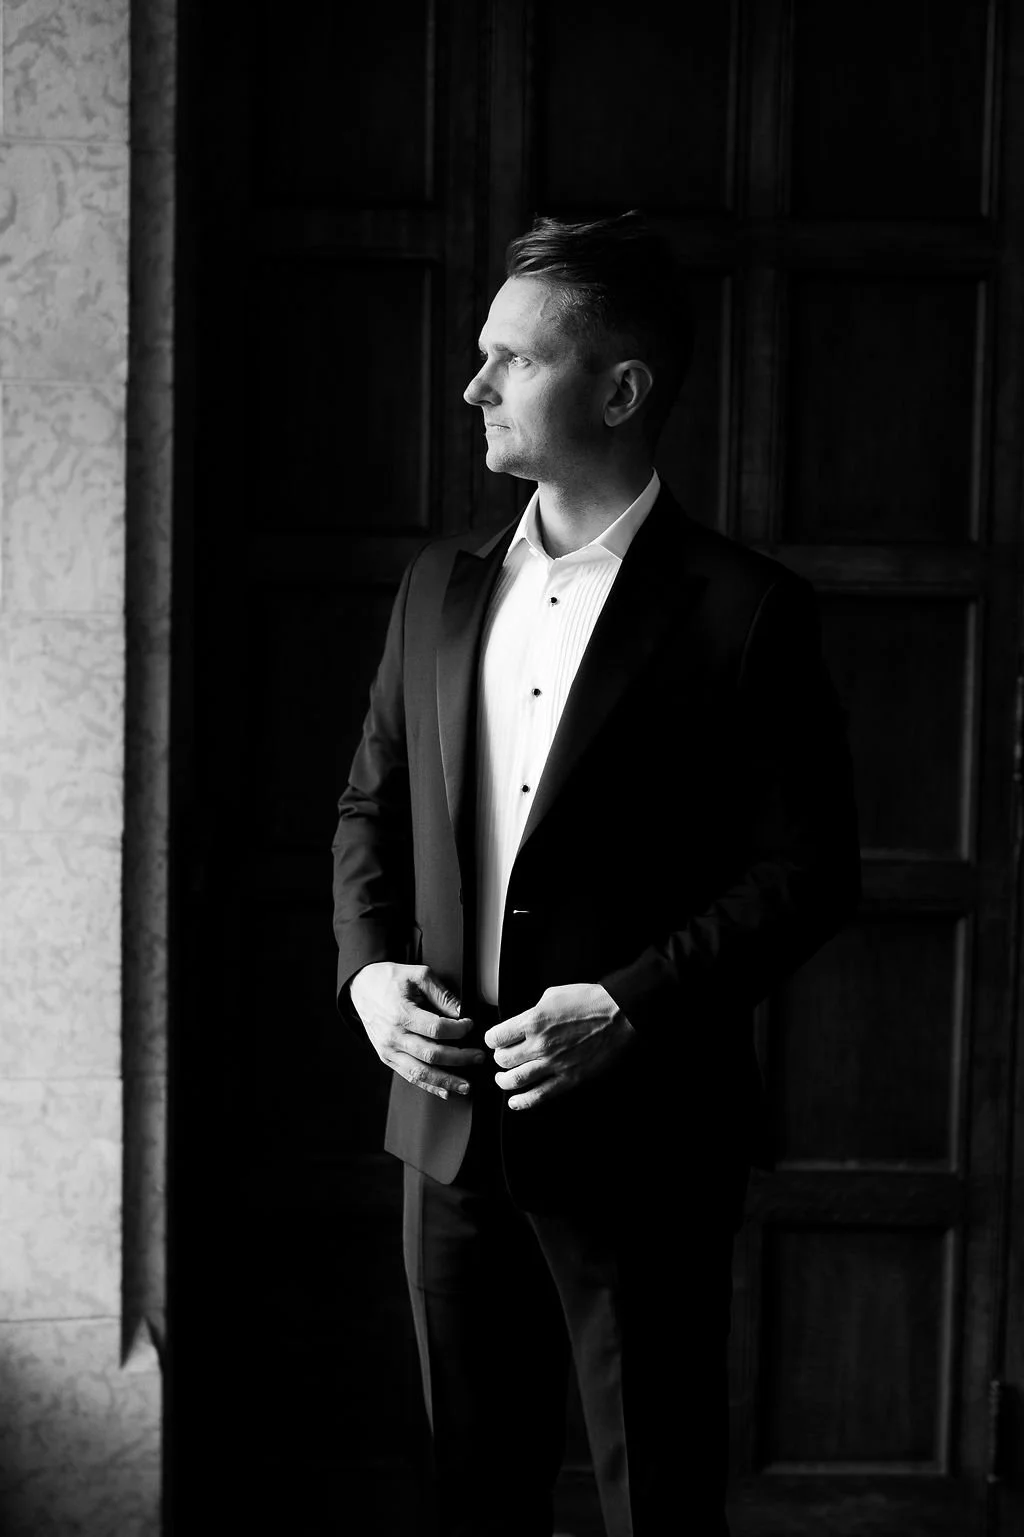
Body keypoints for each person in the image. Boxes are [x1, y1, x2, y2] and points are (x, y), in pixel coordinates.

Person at [332, 211, 861, 1537]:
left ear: (619, 390)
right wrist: (368, 975)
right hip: (447, 1135)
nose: (475, 387)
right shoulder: (432, 588)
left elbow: (808, 874)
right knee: (474, 1496)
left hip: (648, 1142)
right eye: (480, 357)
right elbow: (365, 813)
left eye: (511, 360)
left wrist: (623, 1007)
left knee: (658, 1500)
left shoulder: (747, 612)